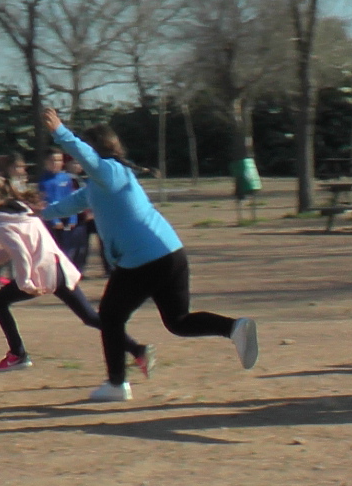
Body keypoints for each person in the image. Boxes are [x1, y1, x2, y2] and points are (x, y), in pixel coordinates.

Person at [36, 107, 256, 404]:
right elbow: (71, 204)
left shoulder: (109, 172)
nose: (75, 161)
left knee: (111, 318)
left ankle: (116, 384)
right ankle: (234, 327)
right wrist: (39, 214)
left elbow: (86, 156)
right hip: (170, 253)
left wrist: (60, 131)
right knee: (178, 321)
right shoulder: (103, 183)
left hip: (144, 260)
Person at [0, 170, 148, 376]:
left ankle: (18, 354)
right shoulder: (21, 209)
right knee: (90, 317)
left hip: (42, 274)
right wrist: (3, 255)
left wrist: (25, 280)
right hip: (58, 268)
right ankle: (137, 350)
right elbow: (28, 244)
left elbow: (21, 252)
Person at [36, 150, 92, 271]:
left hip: (67, 217)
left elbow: (71, 198)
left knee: (70, 247)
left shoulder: (66, 178)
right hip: (52, 219)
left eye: (59, 160)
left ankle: (70, 270)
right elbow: (46, 201)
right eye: (53, 160)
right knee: (54, 247)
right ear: (46, 162)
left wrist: (73, 218)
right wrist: (54, 221)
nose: (57, 163)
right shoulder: (44, 181)